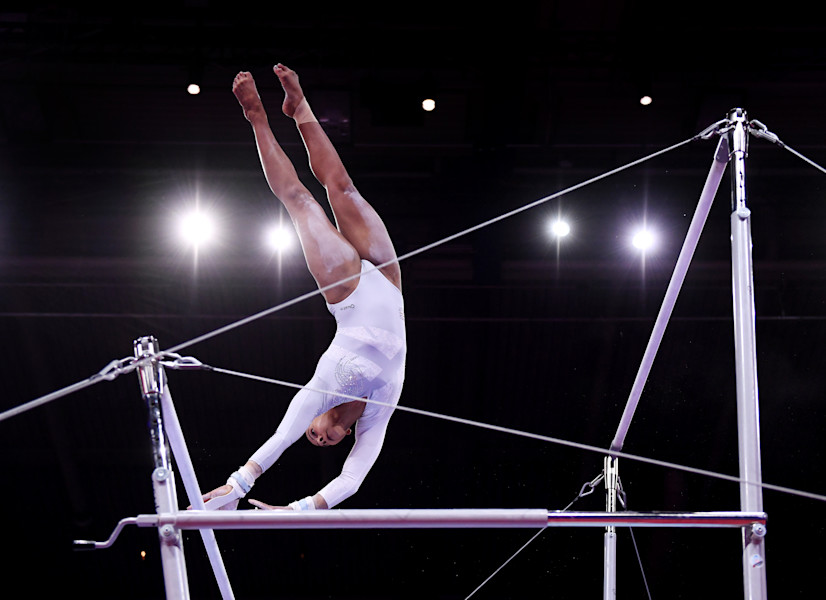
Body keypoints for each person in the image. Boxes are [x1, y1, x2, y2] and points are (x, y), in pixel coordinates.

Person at [201, 64, 406, 511]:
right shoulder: (376, 414)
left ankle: (258, 115)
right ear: (343, 436)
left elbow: (280, 437)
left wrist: (238, 486)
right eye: (324, 441)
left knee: (302, 200)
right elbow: (352, 479)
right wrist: (300, 509)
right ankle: (298, 107)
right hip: (389, 281)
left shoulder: (320, 391)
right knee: (344, 189)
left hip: (349, 294)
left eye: (311, 433)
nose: (318, 435)